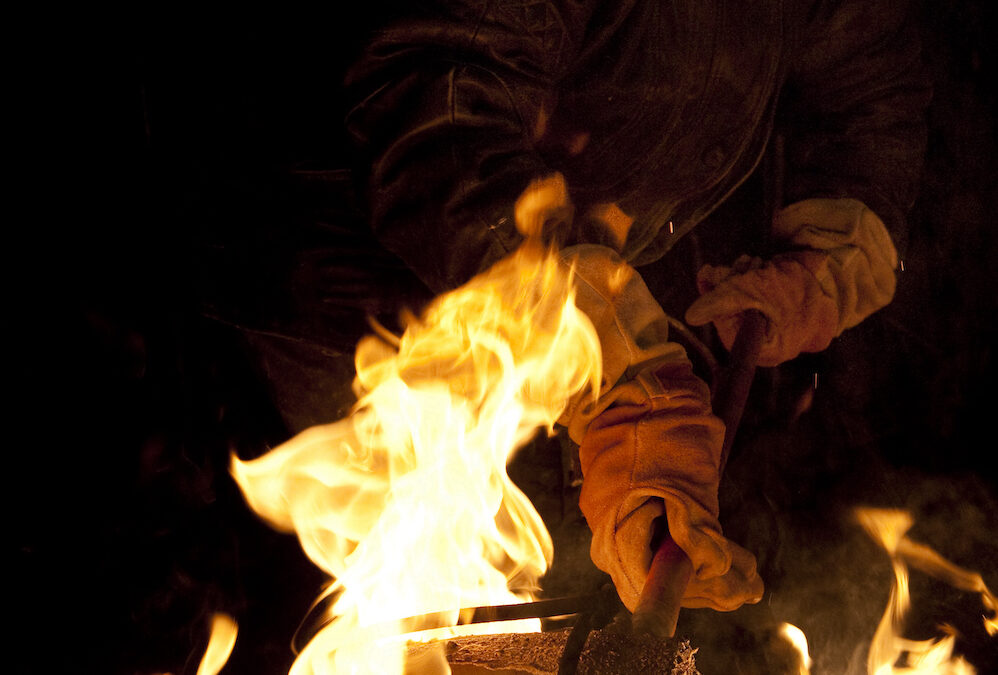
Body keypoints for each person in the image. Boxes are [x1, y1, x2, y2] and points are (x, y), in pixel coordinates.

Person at [229, 0, 931, 616]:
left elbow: (870, 73)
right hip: (378, 298)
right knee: (449, 611)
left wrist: (837, 242)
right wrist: (607, 354)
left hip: (583, 266)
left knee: (562, 603)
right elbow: (437, 100)